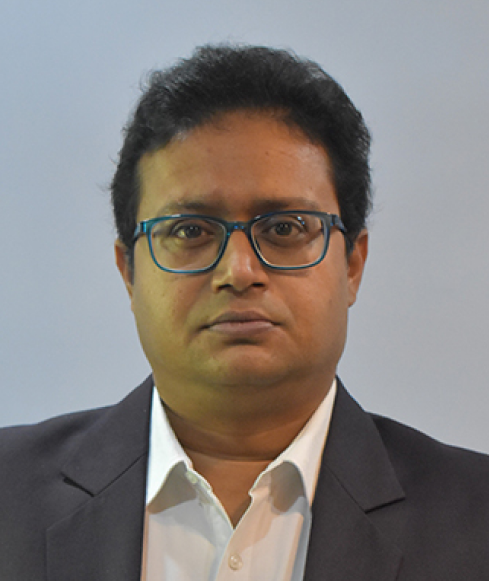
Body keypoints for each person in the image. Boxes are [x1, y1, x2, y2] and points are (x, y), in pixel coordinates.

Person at [0, 44, 488, 581]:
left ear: (352, 264)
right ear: (128, 272)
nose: (238, 271)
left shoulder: (475, 515)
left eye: (284, 228)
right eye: (190, 230)